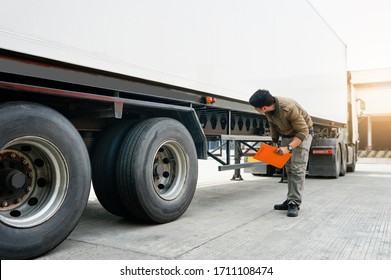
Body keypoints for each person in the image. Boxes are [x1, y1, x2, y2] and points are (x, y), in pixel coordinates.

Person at [249, 89, 313, 217]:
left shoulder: (289, 108)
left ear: (264, 107)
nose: (256, 111)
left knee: (297, 168)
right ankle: (290, 199)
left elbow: (303, 131)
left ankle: (294, 202)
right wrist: (274, 143)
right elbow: (272, 125)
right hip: (286, 134)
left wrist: (288, 148)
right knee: (289, 169)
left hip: (302, 135)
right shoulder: (268, 111)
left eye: (257, 109)